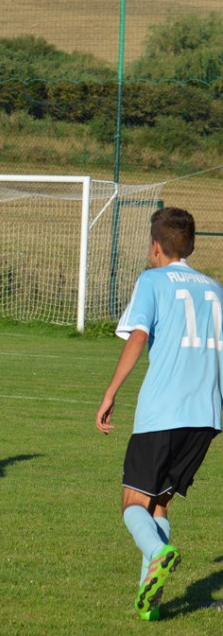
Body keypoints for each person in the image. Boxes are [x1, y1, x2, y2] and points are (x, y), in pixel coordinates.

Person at [95, 207, 222, 620]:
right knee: (160, 505)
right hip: (207, 414)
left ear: (155, 246)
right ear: (191, 245)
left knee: (132, 501)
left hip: (164, 410)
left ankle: (157, 551)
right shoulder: (215, 288)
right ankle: (149, 603)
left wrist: (110, 392)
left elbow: (139, 335)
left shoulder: (152, 280)